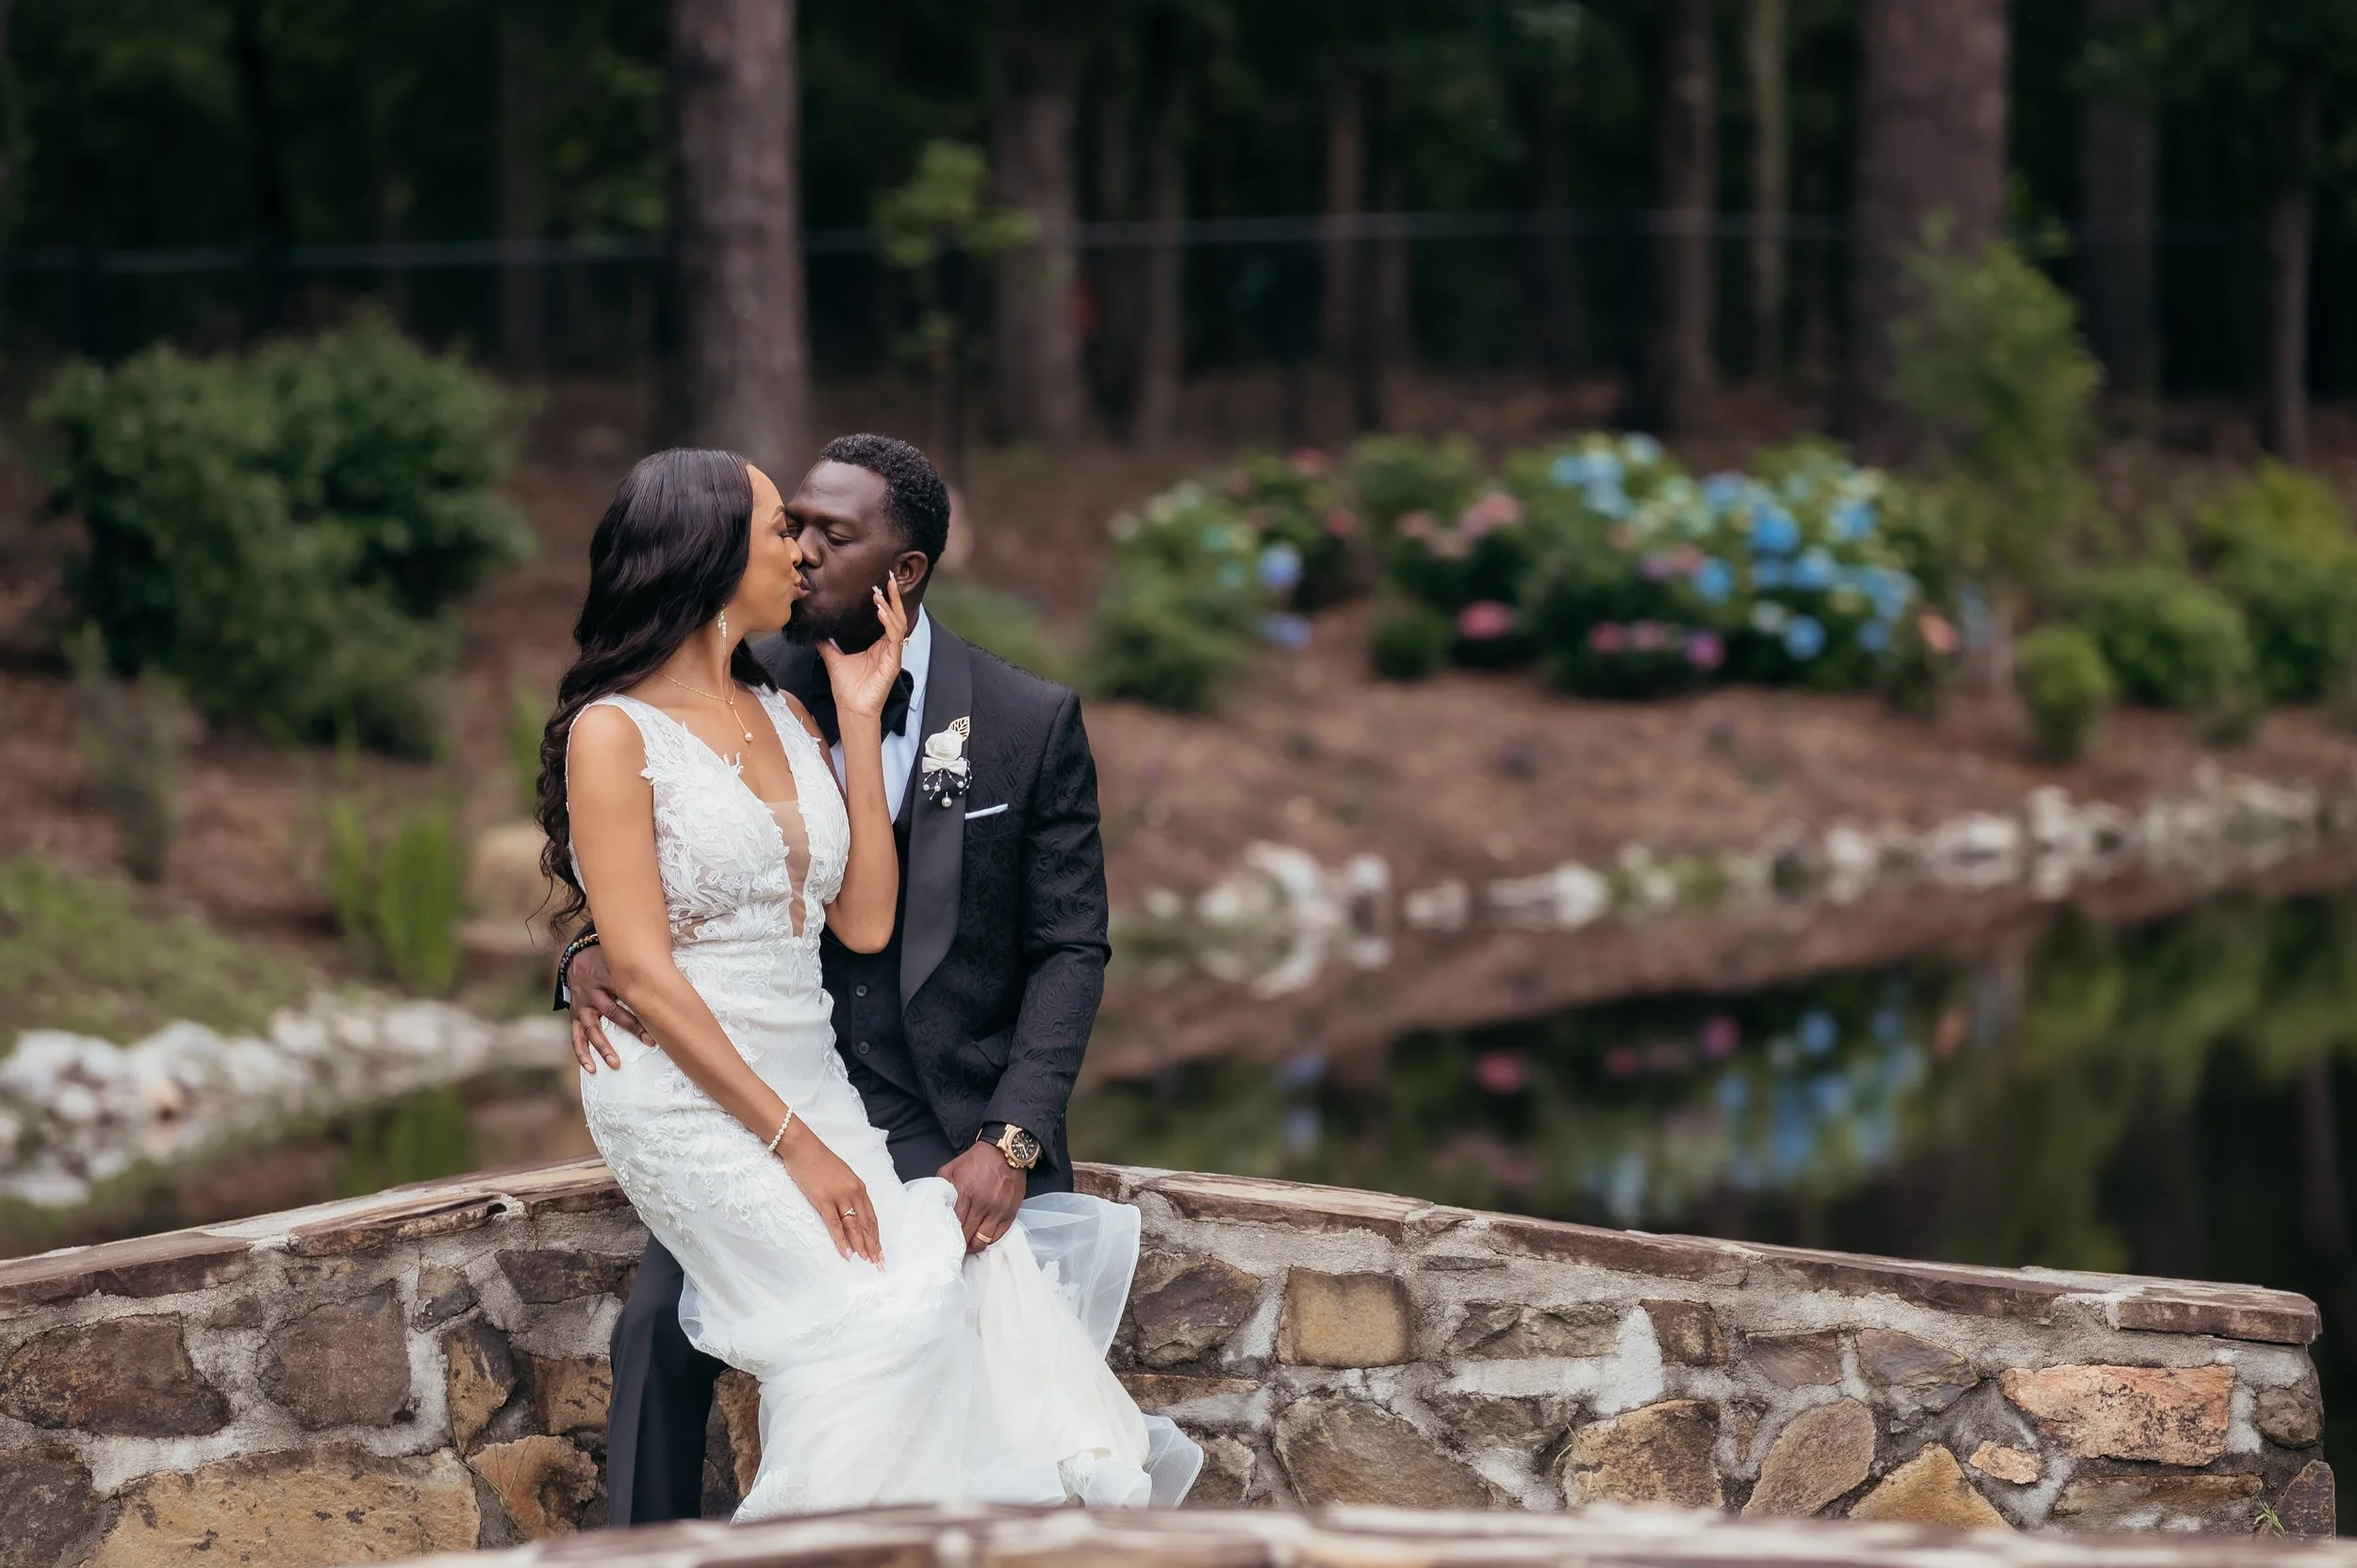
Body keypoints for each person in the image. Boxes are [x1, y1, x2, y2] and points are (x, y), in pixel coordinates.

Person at [540, 439, 1196, 1523]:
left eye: (829, 538)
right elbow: (645, 884)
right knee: (660, 1328)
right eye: (785, 527)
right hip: (742, 1093)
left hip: (936, 1103)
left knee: (945, 1311)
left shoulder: (1023, 723)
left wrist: (1012, 1139)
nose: (799, 554)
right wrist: (585, 954)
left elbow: (1070, 949)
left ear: (907, 572)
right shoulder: (761, 675)